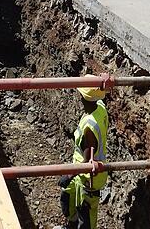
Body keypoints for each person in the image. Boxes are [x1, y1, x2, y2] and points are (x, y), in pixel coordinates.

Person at [58, 81, 109, 229]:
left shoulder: (89, 126)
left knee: (85, 213)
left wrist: (68, 176)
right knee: (68, 196)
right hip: (79, 170)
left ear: (83, 97)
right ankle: (71, 224)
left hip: (88, 176)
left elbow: (87, 160)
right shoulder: (100, 108)